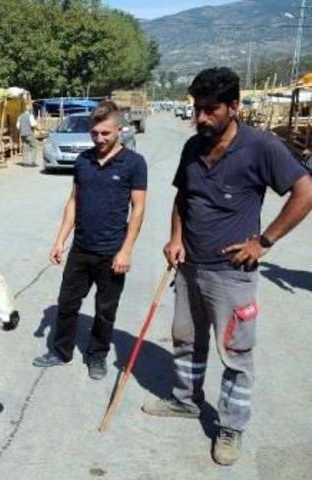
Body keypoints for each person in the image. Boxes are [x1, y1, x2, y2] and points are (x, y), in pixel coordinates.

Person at [141, 67, 312, 466]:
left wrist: (263, 241)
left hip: (232, 274)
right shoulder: (193, 146)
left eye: (210, 110)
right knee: (185, 338)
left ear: (234, 107)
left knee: (235, 353)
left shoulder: (262, 147)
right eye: (197, 109)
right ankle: (185, 400)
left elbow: (305, 191)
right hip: (189, 267)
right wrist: (175, 238)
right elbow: (184, 197)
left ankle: (231, 426)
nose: (201, 118)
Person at [32, 101, 147, 380]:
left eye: (105, 133)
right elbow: (74, 201)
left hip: (112, 251)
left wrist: (126, 251)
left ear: (119, 129)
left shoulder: (134, 163)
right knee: (67, 302)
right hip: (81, 249)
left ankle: (97, 355)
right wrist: (60, 240)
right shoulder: (83, 161)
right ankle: (61, 351)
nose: (99, 139)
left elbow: (139, 208)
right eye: (95, 133)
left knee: (105, 310)